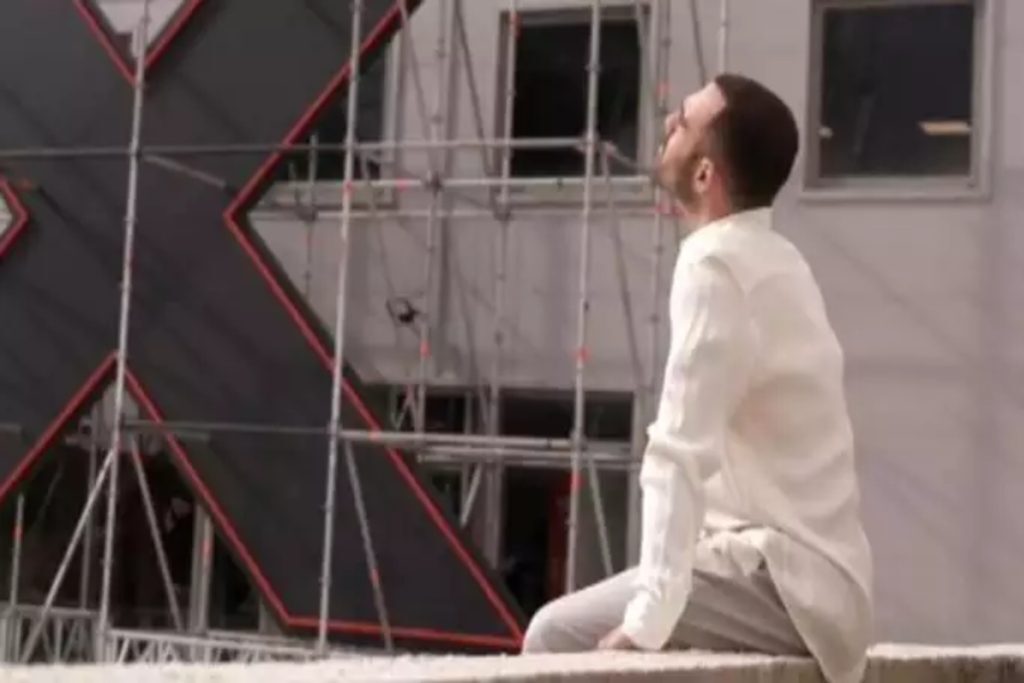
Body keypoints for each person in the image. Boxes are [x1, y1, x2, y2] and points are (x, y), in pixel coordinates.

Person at [520, 74, 873, 683]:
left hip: (783, 581)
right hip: (816, 582)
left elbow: (679, 451)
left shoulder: (715, 264)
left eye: (682, 122)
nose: (666, 125)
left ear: (706, 174)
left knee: (553, 635)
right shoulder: (779, 261)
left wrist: (648, 619)